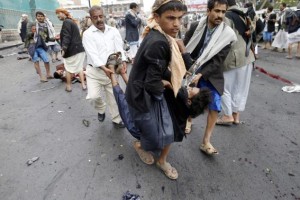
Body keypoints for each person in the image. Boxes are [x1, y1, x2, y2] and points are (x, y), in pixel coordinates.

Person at [126, 0, 190, 180]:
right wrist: (170, 84)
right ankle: (154, 155)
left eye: (179, 18)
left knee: (162, 129)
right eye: (171, 18)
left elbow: (156, 71)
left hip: (141, 91)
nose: (176, 24)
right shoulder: (159, 42)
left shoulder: (159, 34)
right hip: (143, 95)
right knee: (165, 131)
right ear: (156, 17)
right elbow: (153, 83)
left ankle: (157, 155)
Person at [106, 61, 210, 167]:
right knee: (127, 98)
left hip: (144, 120)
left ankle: (116, 73)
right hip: (143, 115)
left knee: (128, 98)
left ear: (189, 101)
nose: (188, 87)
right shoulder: (181, 104)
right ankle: (114, 73)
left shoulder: (179, 97)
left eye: (191, 89)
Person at [183, 0, 237, 155]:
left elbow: (218, 60)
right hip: (191, 69)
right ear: (208, 11)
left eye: (223, 12)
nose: (220, 15)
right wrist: (189, 71)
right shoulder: (195, 27)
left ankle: (206, 141)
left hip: (212, 73)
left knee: (215, 105)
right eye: (217, 11)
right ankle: (188, 120)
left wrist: (201, 74)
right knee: (188, 97)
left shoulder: (228, 35)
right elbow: (185, 48)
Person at [82, 6, 126, 129]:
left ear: (104, 16)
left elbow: (119, 49)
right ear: (91, 18)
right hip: (95, 72)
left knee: (113, 98)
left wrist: (121, 62)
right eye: (95, 17)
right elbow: (92, 54)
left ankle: (116, 119)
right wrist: (103, 68)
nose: (99, 19)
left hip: (111, 71)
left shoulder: (113, 31)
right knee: (93, 96)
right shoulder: (87, 34)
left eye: (101, 16)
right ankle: (101, 109)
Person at [215, 0, 255, 128]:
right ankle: (236, 115)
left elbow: (223, 40)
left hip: (232, 58)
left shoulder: (226, 16)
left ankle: (227, 115)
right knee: (240, 88)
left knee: (224, 87)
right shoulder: (245, 14)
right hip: (247, 56)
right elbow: (256, 28)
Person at [56, 8, 86, 92]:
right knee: (79, 67)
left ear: (63, 13)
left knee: (68, 69)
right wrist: (60, 36)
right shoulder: (71, 21)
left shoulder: (66, 22)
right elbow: (70, 35)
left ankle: (68, 86)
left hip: (71, 50)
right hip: (79, 49)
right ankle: (83, 85)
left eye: (58, 13)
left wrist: (64, 48)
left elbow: (67, 36)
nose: (58, 16)